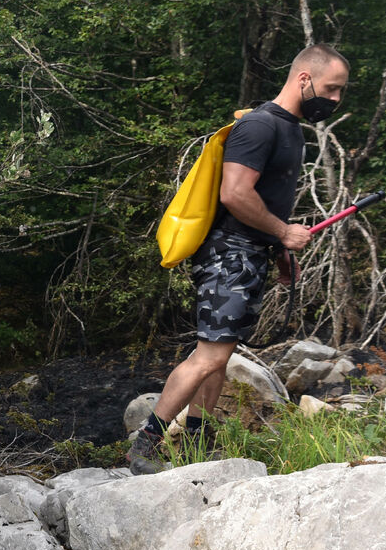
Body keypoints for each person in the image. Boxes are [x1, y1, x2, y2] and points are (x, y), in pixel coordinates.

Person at [127, 44, 350, 475]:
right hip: (228, 255)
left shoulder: (291, 128)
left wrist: (280, 249)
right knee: (208, 355)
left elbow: (266, 201)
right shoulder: (261, 126)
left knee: (220, 355)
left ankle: (196, 441)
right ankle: (146, 446)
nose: (335, 100)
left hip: (249, 255)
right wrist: (283, 232)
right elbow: (234, 193)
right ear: (304, 79)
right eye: (332, 89)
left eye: (340, 92)